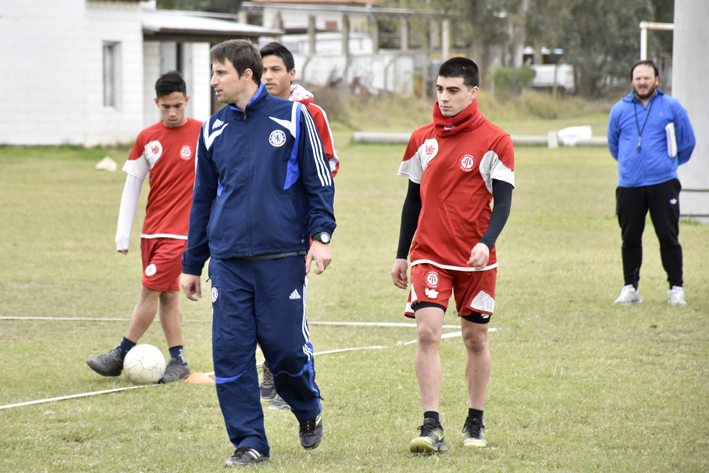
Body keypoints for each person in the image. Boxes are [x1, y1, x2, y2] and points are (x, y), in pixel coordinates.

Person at [180, 40, 335, 468]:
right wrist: (193, 264)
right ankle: (249, 441)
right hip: (228, 263)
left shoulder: (294, 117)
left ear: (246, 75)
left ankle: (307, 408)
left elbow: (319, 182)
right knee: (230, 355)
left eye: (220, 73)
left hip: (281, 257)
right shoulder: (212, 129)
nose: (213, 82)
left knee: (285, 351)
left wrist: (320, 236)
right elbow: (202, 200)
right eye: (212, 73)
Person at [391, 57, 514, 453]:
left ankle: (474, 423)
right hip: (428, 254)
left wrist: (486, 241)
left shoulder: (497, 140)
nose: (444, 98)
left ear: (473, 93)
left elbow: (504, 202)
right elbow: (413, 201)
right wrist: (400, 255)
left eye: (453, 90)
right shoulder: (421, 139)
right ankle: (431, 425)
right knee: (427, 332)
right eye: (440, 89)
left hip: (477, 259)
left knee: (475, 339)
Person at [86, 71, 201, 384]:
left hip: (182, 235)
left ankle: (120, 353)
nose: (173, 112)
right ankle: (178, 361)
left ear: (187, 100)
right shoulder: (146, 138)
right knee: (167, 297)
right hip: (151, 233)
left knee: (148, 291)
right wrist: (123, 233)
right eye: (166, 107)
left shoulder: (204, 134)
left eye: (178, 105)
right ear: (156, 103)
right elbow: (132, 186)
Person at [258, 41, 340, 411]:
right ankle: (272, 371)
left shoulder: (310, 113)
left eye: (276, 69)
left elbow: (326, 169)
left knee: (290, 309)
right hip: (259, 230)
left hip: (296, 231)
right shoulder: (251, 111)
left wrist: (314, 228)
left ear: (292, 74)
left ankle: (297, 385)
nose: (268, 76)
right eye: (262, 70)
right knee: (259, 305)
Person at [607, 59, 695, 306]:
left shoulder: (671, 106)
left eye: (647, 78)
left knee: (668, 236)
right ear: (632, 81)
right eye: (638, 78)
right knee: (630, 238)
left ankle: (675, 288)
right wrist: (629, 165)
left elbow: (687, 141)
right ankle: (630, 288)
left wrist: (667, 165)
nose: (642, 82)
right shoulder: (619, 109)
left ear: (657, 80)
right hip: (629, 186)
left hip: (663, 183)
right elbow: (614, 145)